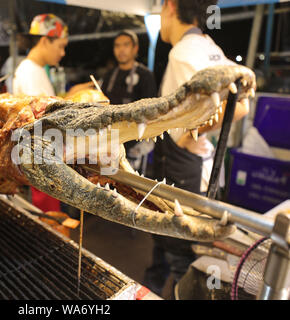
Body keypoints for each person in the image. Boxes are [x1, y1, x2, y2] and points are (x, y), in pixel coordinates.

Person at [144, 0, 250, 298]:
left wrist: (193, 134)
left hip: (187, 175)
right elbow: (238, 95)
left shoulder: (182, 52)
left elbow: (239, 104)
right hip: (202, 173)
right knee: (177, 254)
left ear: (170, 6)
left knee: (186, 266)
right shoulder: (207, 43)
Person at [13, 13, 69, 213]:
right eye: (60, 46)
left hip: (48, 155)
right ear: (45, 40)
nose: (62, 53)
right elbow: (40, 119)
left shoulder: (37, 70)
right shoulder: (28, 72)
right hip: (41, 158)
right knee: (48, 217)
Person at [100, 30, 157, 172]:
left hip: (135, 141)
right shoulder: (109, 75)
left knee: (131, 185)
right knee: (108, 180)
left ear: (135, 48)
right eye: (117, 46)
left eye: (126, 45)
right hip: (110, 141)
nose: (121, 50)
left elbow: (151, 112)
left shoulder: (145, 76)